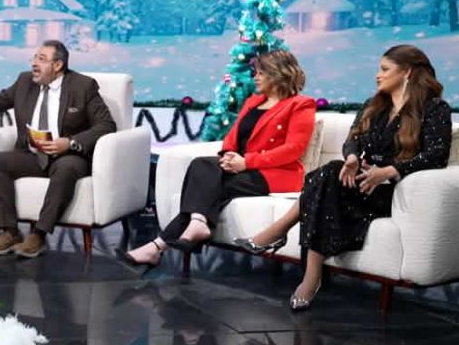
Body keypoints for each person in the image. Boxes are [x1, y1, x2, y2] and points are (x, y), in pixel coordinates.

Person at [237, 45, 452, 310]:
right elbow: (353, 140)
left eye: (385, 69)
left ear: (407, 72)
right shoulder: (375, 105)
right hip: (362, 183)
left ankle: (294, 253)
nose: (378, 75)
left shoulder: (434, 108)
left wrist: (390, 170)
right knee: (330, 173)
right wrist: (352, 159)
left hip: (394, 191)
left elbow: (436, 155)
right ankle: (307, 269)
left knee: (324, 178)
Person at [117, 50, 316, 271]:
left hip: (275, 175)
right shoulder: (253, 102)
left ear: (278, 74)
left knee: (206, 189)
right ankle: (195, 224)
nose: (255, 77)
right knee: (202, 167)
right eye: (256, 72)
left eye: (261, 73)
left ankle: (157, 246)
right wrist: (228, 155)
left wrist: (246, 162)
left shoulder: (300, 105)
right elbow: (233, 136)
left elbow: (293, 149)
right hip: (242, 167)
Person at [0, 40, 116, 258]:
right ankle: (9, 231)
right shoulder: (25, 81)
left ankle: (38, 234)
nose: (34, 63)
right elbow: (0, 101)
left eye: (42, 59)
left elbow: (106, 125)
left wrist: (70, 142)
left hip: (67, 155)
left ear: (58, 65)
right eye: (34, 58)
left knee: (67, 168)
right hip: (33, 155)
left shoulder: (83, 86)